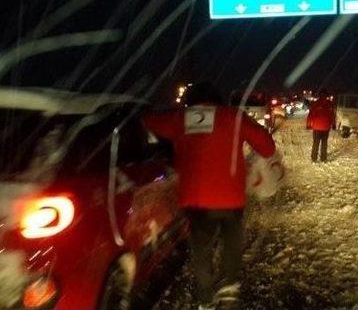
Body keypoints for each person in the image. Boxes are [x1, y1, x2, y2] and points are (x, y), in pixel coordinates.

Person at [143, 83, 276, 310]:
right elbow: (267, 147)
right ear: (218, 99)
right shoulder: (233, 117)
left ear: (192, 101)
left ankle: (205, 298)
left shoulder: (181, 119)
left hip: (196, 200)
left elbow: (148, 121)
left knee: (201, 249)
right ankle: (230, 286)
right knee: (232, 242)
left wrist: (139, 114)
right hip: (231, 198)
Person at [306, 89, 334, 162]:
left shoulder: (315, 103)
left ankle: (314, 158)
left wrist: (308, 124)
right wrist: (333, 124)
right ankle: (323, 158)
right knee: (324, 143)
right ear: (326, 96)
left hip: (316, 127)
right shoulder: (329, 104)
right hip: (326, 127)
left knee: (316, 143)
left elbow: (311, 115)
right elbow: (332, 115)